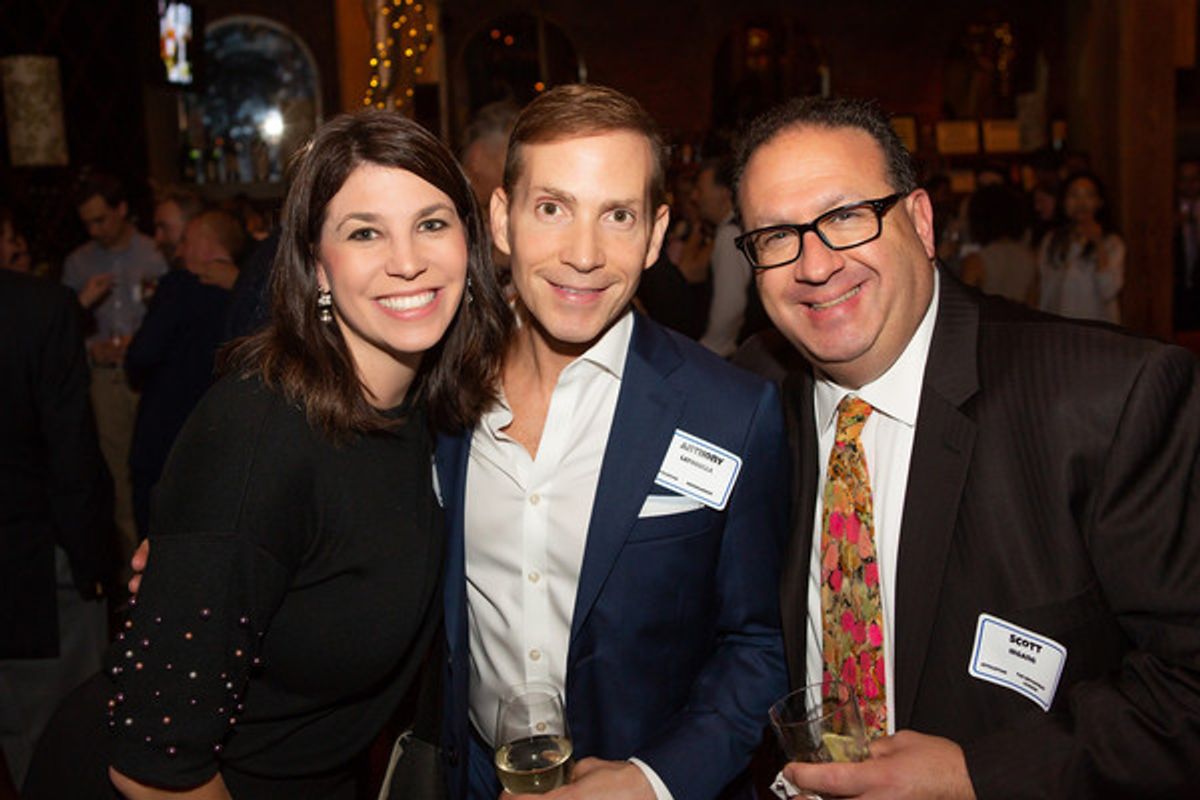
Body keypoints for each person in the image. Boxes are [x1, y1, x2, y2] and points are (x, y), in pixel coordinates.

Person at [33, 109, 511, 800]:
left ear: (470, 243)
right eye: (365, 231)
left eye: (432, 223)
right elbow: (155, 768)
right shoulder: (259, 433)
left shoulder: (424, 406)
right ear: (318, 265)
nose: (407, 260)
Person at [732, 95, 1200, 798]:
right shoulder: (749, 397)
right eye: (775, 236)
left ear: (920, 221)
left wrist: (978, 775)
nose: (815, 264)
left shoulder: (1108, 400)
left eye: (845, 217)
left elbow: (1188, 689)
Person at [436, 84, 788, 800]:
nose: (584, 254)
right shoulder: (433, 391)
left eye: (618, 216)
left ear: (656, 234)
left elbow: (759, 646)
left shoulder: (729, 411)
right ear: (503, 219)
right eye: (552, 209)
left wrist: (652, 780)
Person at [0, 268, 116, 791]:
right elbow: (71, 452)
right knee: (64, 743)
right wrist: (95, 564)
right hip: (36, 570)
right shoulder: (38, 307)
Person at [62, 173, 169, 563]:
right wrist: (93, 348)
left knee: (158, 468)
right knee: (118, 477)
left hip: (150, 380)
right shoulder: (78, 262)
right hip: (106, 381)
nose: (95, 229)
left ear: (121, 210)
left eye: (101, 219)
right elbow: (61, 330)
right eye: (87, 222)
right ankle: (131, 575)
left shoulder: (153, 252)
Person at [125, 208, 246, 539]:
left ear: (207, 245)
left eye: (186, 242)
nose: (178, 251)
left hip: (167, 441)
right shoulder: (251, 292)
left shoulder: (178, 287)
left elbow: (142, 355)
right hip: (227, 444)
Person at [1036, 170, 1124, 324]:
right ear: (1064, 202)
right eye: (1074, 195)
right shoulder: (1052, 240)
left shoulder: (1112, 242)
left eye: (1089, 196)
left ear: (1099, 202)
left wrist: (1098, 244)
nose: (1081, 203)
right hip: (1058, 329)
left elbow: (1109, 290)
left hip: (1096, 330)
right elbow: (1045, 290)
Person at [959, 184, 1036, 305]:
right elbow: (1034, 303)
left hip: (988, 321)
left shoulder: (976, 261)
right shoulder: (1031, 258)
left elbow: (964, 306)